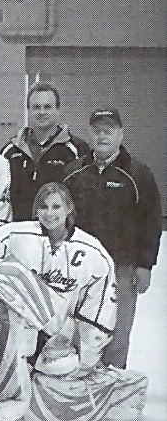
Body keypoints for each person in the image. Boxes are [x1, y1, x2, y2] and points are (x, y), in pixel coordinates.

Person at [0, 183, 148, 421]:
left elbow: (98, 314)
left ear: (68, 208)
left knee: (61, 368)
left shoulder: (93, 253)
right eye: (43, 207)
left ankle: (112, 389)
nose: (49, 213)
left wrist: (84, 360)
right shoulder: (14, 235)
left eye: (56, 206)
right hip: (17, 334)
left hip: (59, 341)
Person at [62, 108, 161, 370]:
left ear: (120, 134)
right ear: (89, 134)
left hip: (122, 267)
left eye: (108, 131)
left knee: (118, 329)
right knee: (77, 327)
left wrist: (145, 265)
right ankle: (78, 382)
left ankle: (114, 382)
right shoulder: (74, 172)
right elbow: (60, 216)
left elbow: (151, 222)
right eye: (97, 131)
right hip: (80, 266)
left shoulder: (138, 174)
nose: (102, 136)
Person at [1, 81, 91, 222]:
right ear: (28, 110)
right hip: (19, 230)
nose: (42, 112)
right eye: (36, 107)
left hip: (60, 231)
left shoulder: (77, 150)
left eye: (47, 107)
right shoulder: (10, 151)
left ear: (58, 110)